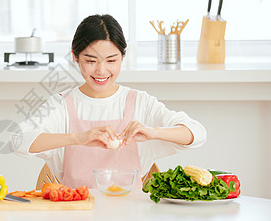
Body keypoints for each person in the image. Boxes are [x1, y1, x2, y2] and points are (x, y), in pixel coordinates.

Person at [15, 14, 207, 189]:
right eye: (91, 61)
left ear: (123, 57)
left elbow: (197, 133)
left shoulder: (140, 102)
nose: (101, 70)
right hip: (75, 216)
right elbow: (17, 141)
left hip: (132, 219)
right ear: (75, 56)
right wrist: (79, 138)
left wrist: (153, 132)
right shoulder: (61, 105)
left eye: (111, 60)